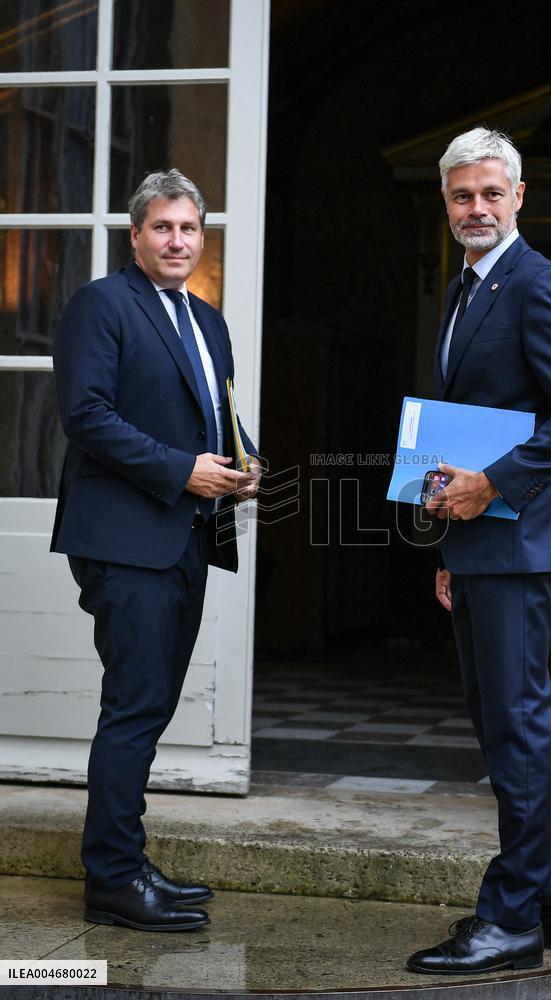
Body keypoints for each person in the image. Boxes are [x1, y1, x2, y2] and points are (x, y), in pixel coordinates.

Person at [406, 129, 551, 975]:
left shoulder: (533, 284)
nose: (477, 209)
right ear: (448, 203)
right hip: (479, 545)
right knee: (505, 730)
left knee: (517, 732)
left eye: (492, 194)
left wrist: (491, 487)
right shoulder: (464, 288)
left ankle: (511, 919)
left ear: (518, 196)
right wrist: (453, 542)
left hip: (520, 539)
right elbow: (461, 421)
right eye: (462, 197)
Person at [51, 169, 261, 932]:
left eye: (190, 229)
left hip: (188, 536)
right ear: (136, 235)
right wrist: (183, 471)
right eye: (163, 228)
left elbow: (215, 417)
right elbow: (87, 416)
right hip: (125, 539)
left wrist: (244, 462)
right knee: (134, 706)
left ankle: (127, 862)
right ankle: (111, 880)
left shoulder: (208, 323)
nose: (178, 241)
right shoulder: (101, 306)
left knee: (151, 704)